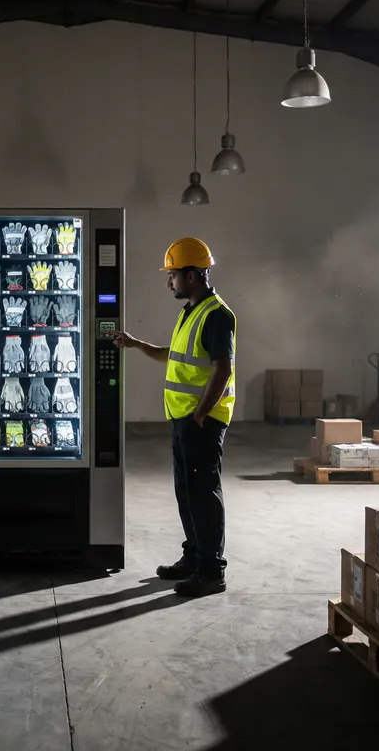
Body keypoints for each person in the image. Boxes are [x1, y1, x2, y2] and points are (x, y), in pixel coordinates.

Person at [109, 237, 235, 598]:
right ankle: (194, 557)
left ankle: (212, 572)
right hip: (183, 419)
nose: (169, 282)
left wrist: (199, 415)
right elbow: (174, 355)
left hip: (202, 421)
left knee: (203, 495)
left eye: (173, 275)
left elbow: (222, 369)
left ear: (192, 275)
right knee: (187, 493)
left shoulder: (217, 315)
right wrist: (136, 344)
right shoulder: (190, 312)